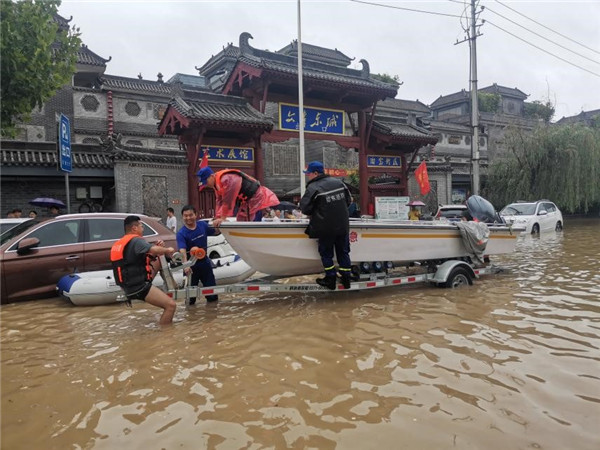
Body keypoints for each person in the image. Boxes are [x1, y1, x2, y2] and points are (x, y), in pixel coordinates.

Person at [110, 215, 176, 325]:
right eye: (141, 226)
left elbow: (146, 255)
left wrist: (158, 249)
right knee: (171, 305)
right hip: (139, 287)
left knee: (159, 259)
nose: (143, 229)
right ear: (134, 228)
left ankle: (172, 285)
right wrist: (167, 249)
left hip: (127, 285)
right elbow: (154, 249)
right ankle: (166, 335)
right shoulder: (136, 241)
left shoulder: (120, 243)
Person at [300, 161, 352, 290]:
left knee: (326, 253)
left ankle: (330, 278)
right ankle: (346, 278)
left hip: (325, 227)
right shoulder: (339, 183)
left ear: (316, 173)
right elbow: (349, 201)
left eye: (309, 174)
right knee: (343, 252)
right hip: (343, 226)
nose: (308, 176)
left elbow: (305, 208)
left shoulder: (313, 187)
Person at [196, 166, 279, 227]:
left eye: (205, 182)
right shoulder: (216, 184)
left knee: (244, 222)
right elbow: (219, 201)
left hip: (255, 197)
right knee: (240, 220)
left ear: (211, 176)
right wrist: (217, 217)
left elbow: (228, 200)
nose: (206, 185)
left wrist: (223, 218)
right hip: (245, 202)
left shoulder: (227, 179)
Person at [176, 205, 219, 304]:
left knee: (212, 296)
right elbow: (182, 250)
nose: (188, 218)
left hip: (205, 264)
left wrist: (219, 222)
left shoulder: (203, 225)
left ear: (196, 215)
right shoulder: (181, 233)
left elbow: (216, 231)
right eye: (185, 216)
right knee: (190, 300)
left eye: (190, 215)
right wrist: (185, 265)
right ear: (182, 217)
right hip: (191, 267)